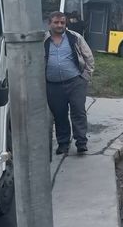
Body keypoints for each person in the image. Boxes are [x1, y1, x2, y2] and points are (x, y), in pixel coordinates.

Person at [44, 11, 95, 155]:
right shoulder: (44, 39)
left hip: (75, 83)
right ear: (50, 23)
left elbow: (89, 57)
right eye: (56, 22)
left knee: (78, 112)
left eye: (62, 23)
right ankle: (63, 144)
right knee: (59, 115)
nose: (60, 25)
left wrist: (85, 77)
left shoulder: (75, 37)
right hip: (53, 85)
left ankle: (81, 143)